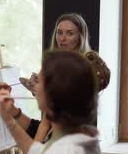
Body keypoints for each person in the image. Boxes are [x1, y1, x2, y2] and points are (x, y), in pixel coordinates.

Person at [9, 13, 110, 143]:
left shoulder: (83, 69)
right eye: (59, 32)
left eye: (69, 33)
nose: (62, 38)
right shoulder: (53, 64)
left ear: (81, 36)